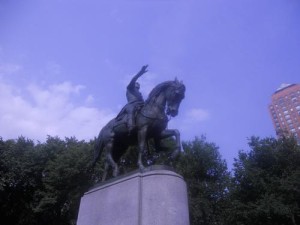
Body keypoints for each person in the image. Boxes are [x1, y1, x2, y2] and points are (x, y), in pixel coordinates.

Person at [125, 65, 148, 133]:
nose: (138, 86)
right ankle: (130, 126)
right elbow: (134, 79)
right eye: (136, 84)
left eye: (139, 86)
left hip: (141, 104)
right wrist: (140, 72)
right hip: (132, 104)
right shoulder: (130, 88)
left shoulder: (139, 93)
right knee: (131, 110)